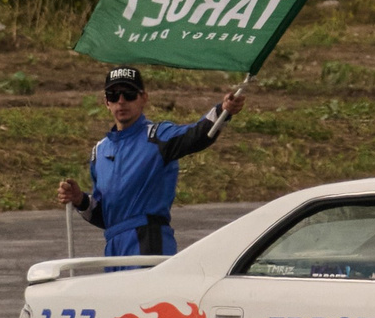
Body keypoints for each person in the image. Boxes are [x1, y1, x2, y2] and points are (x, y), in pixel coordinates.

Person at [56, 66, 243, 257]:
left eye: (129, 94)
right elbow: (105, 217)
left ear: (143, 98)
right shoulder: (99, 152)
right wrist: (80, 200)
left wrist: (223, 110)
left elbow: (197, 135)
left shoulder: (158, 136)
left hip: (148, 239)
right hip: (113, 246)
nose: (121, 101)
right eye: (113, 95)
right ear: (106, 102)